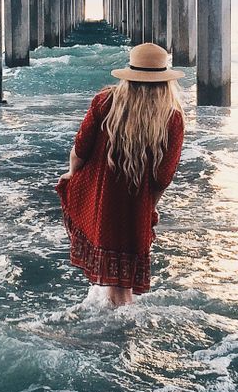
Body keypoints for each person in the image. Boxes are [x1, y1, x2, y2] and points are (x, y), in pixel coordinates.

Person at [56, 43, 185, 307]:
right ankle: (124, 331)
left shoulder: (105, 102)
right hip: (135, 206)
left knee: (115, 288)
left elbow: (79, 151)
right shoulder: (171, 117)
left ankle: (116, 340)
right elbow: (163, 176)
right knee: (122, 285)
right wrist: (149, 207)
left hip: (101, 202)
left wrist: (71, 176)